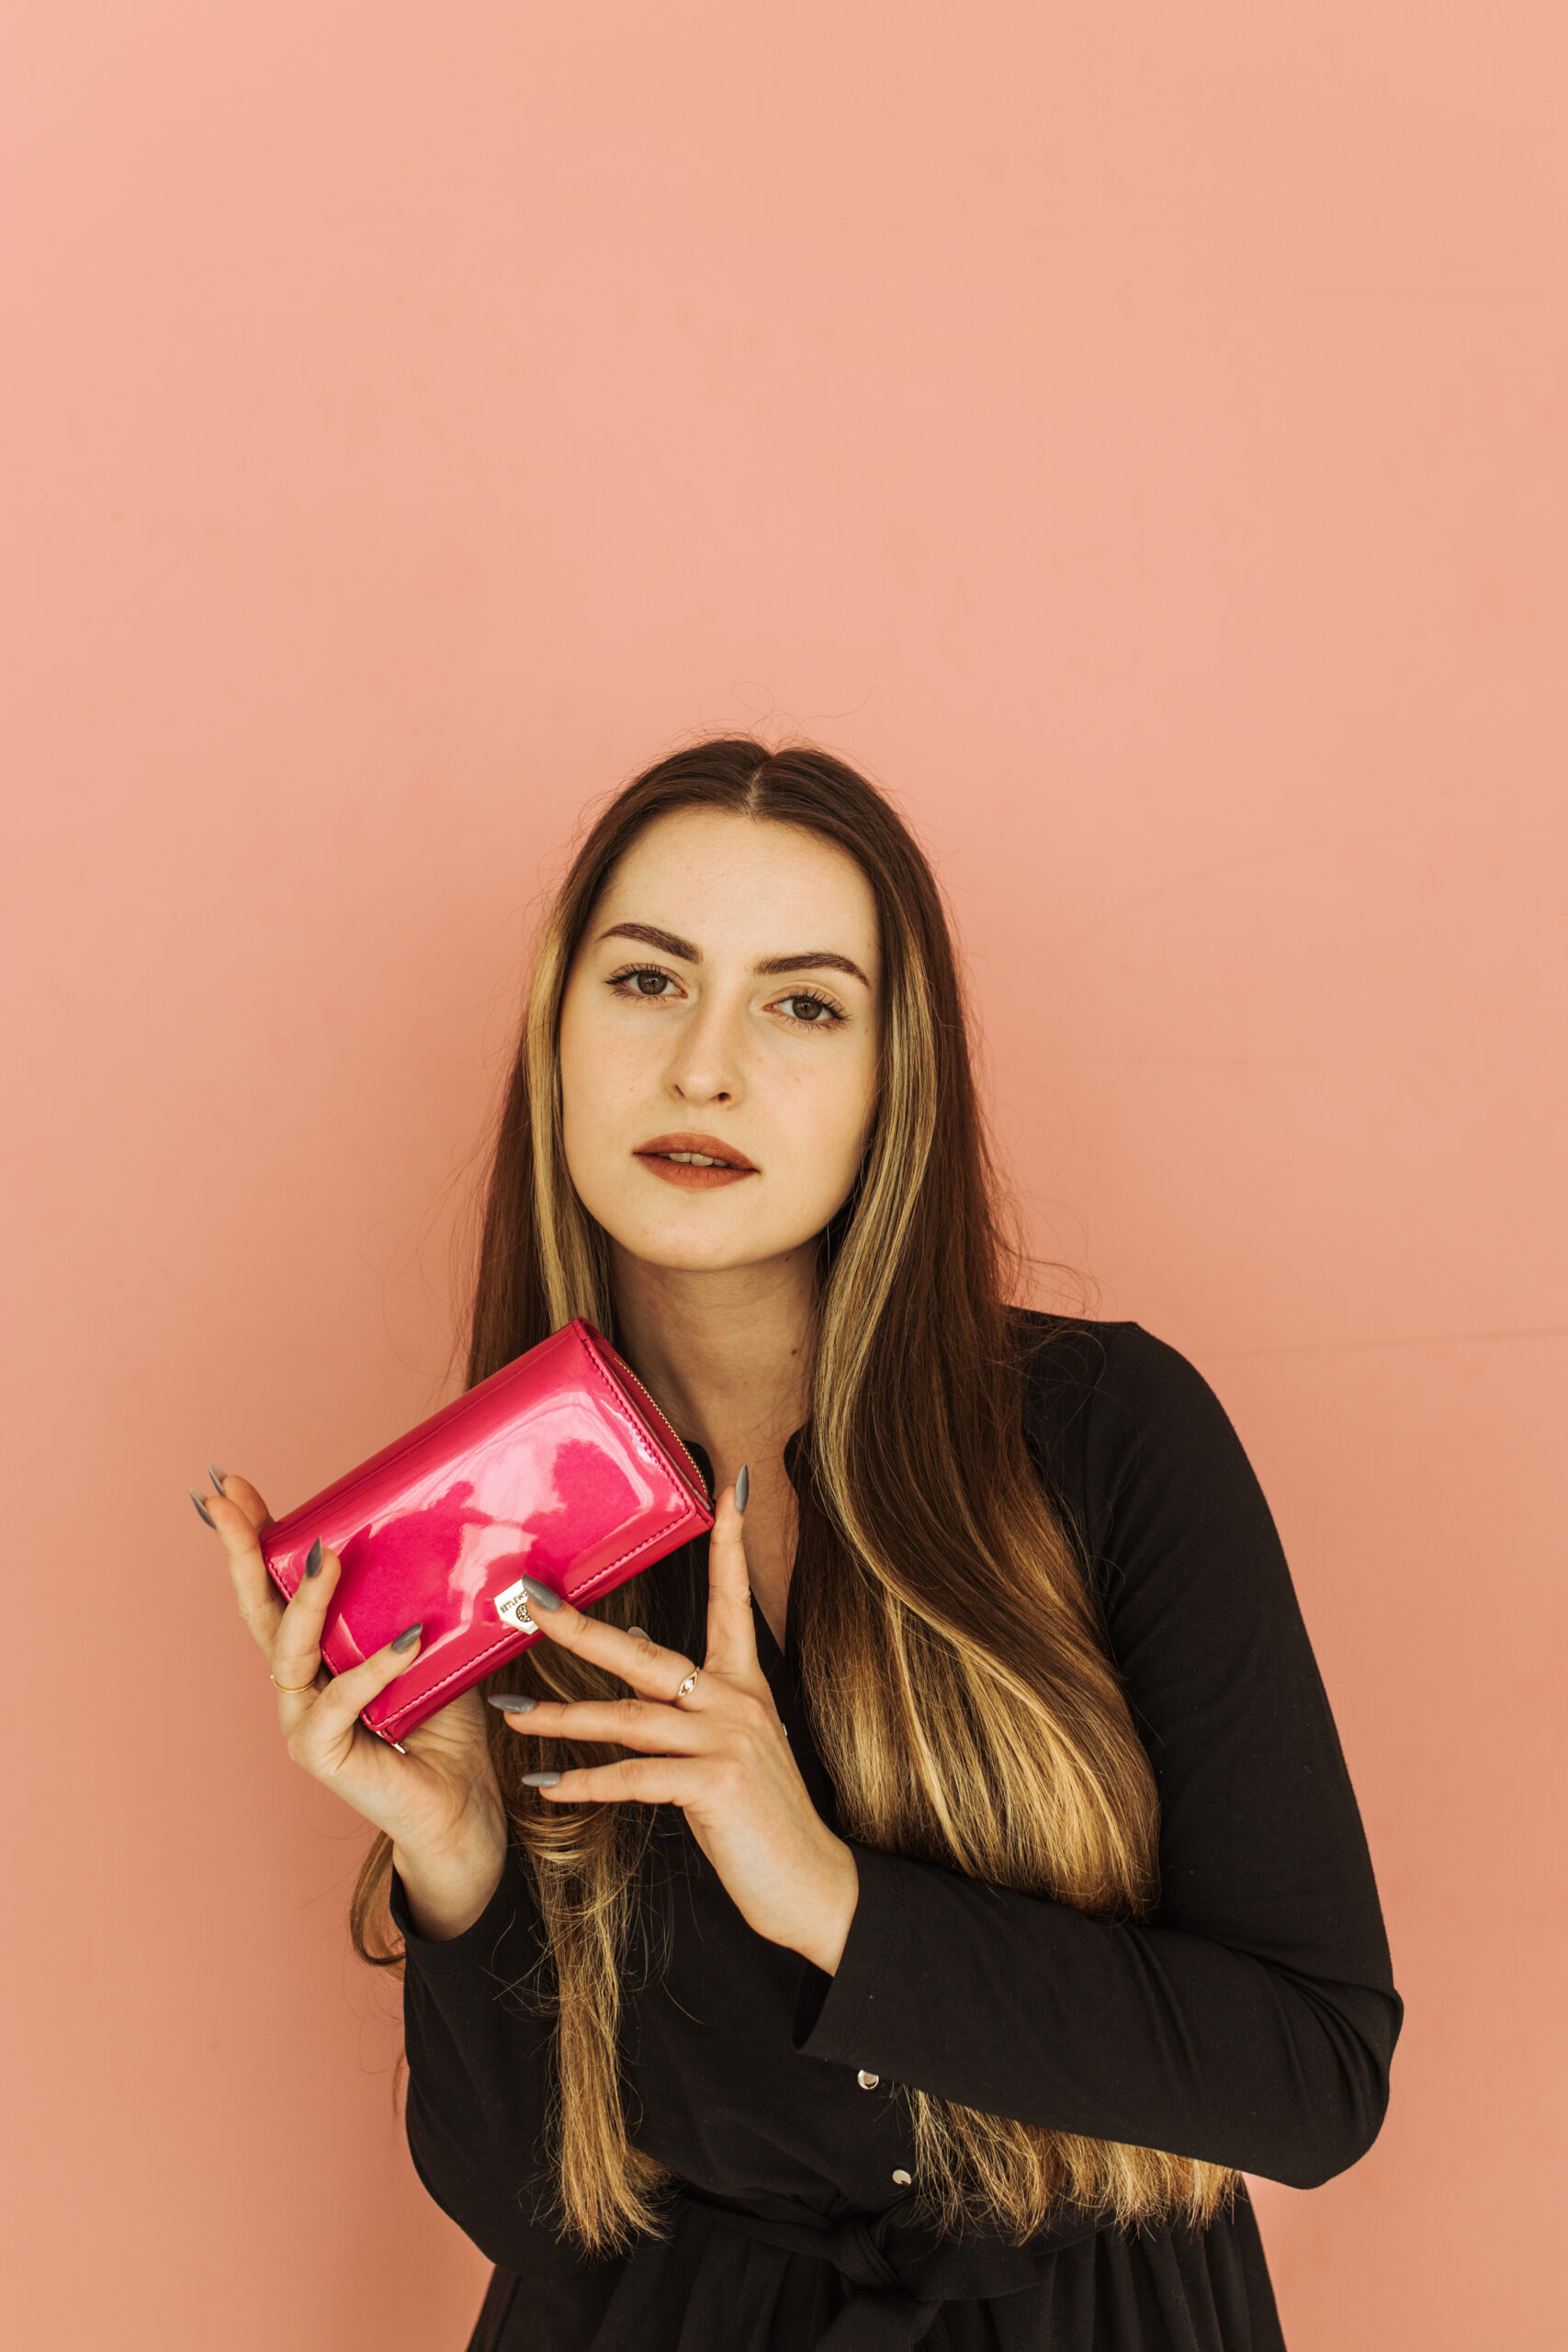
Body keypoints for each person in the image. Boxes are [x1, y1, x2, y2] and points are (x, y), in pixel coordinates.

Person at [199, 739, 1400, 2351]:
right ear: (558, 1041)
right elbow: (537, 2224)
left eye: (804, 1006)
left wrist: (833, 1897)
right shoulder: (485, 1531)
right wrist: (459, 1867)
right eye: (649, 982)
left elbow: (1316, 2077)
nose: (705, 1069)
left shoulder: (1110, 1434)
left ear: (898, 1082)